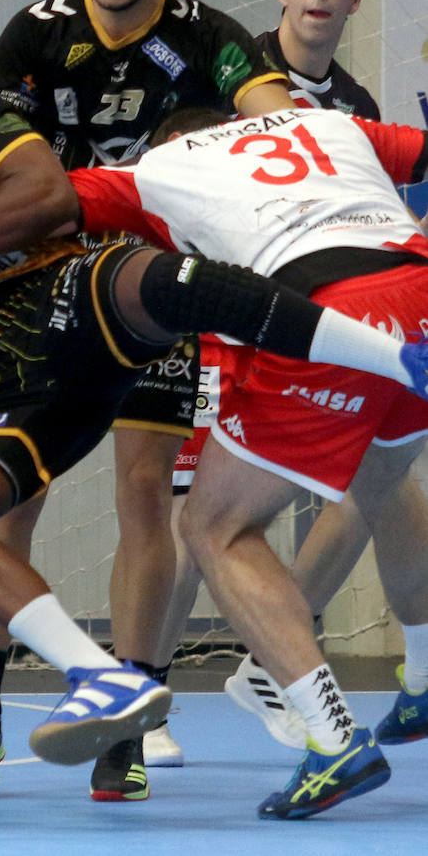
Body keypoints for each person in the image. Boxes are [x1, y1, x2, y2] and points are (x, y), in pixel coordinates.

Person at [0, 37, 428, 807]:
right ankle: (102, 680)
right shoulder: (331, 125)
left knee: (168, 350)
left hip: (77, 305)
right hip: (17, 383)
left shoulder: (7, 127)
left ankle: (311, 703)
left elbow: (49, 196)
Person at [0, 0, 295, 798]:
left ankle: (129, 723)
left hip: (154, 292)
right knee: (8, 499)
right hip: (48, 289)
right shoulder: (38, 34)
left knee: (146, 495)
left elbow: (274, 119)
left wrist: (300, 142)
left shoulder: (206, 36)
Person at [70, 102, 428, 817]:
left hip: (332, 312)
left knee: (213, 529)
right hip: (419, 288)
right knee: (382, 483)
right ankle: (421, 675)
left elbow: (35, 200)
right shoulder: (327, 120)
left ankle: (333, 737)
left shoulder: (161, 167)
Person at [157, 0, 427, 751]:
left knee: (376, 483)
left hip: (332, 322)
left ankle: (285, 672)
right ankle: (144, 698)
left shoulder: (356, 110)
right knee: (193, 520)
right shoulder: (232, 79)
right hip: (223, 316)